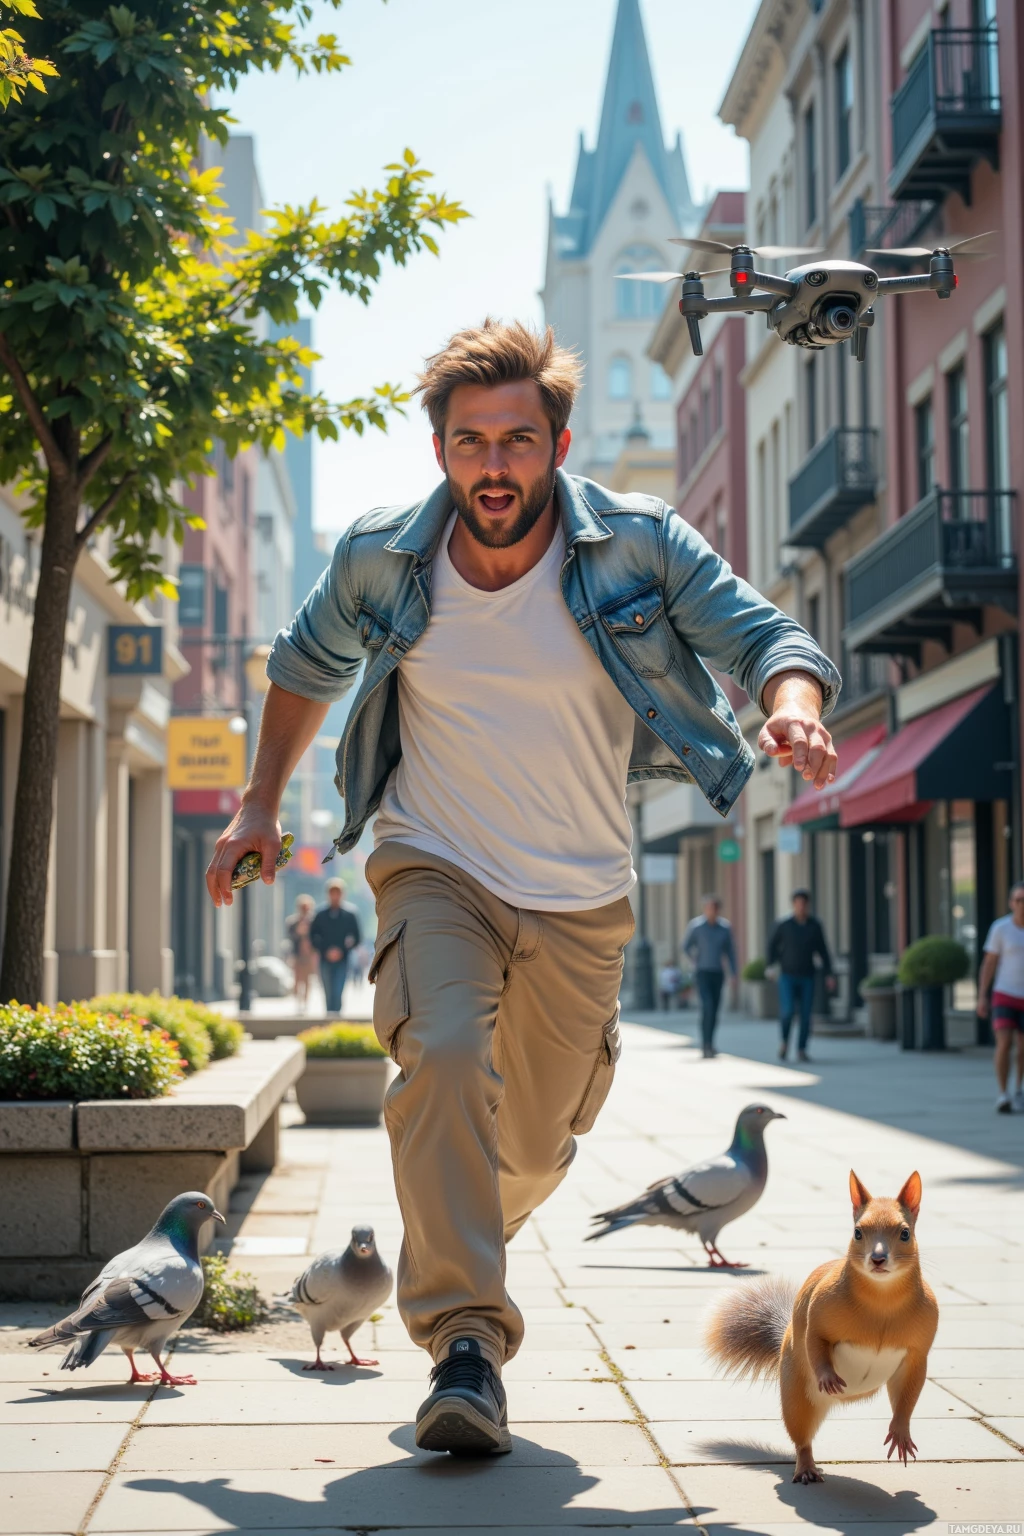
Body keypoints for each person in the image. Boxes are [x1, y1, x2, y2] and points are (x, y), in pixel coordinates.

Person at [205, 319, 840, 1456]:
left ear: (555, 440)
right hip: (432, 860)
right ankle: (464, 1345)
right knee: (441, 1055)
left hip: (581, 890)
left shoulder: (637, 545)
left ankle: (454, 1242)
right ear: (438, 446)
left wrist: (788, 701)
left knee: (539, 1147)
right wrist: (258, 804)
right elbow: (302, 669)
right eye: (467, 444)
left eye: (515, 442)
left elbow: (760, 633)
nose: (491, 469)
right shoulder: (378, 557)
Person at [768, 888, 835, 1062]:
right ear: (793, 905)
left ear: (807, 905)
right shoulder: (784, 925)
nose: (801, 907)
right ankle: (784, 1042)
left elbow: (823, 950)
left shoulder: (814, 926)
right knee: (788, 1011)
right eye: (798, 903)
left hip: (808, 976)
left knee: (806, 1015)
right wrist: (770, 966)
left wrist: (829, 973)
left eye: (804, 904)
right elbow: (772, 946)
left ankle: (801, 1049)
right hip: (787, 976)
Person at [976, 882, 1024, 1113]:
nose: (1021, 904)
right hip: (1005, 993)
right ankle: (1002, 1093)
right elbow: (989, 963)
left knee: (1023, 1048)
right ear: (1010, 903)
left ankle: (1018, 1089)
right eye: (1018, 900)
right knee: (1004, 1042)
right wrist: (982, 996)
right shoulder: (1001, 928)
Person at [682, 895, 737, 1058]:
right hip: (702, 972)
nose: (711, 911)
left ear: (718, 910)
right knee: (708, 1006)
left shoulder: (725, 928)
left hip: (717, 973)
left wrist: (733, 972)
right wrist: (694, 959)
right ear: (705, 909)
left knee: (715, 1011)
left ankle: (711, 1043)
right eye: (708, 908)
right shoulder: (697, 927)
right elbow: (686, 946)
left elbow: (730, 951)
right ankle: (704, 1044)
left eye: (714, 908)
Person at [309, 879, 361, 1015]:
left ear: (342, 894)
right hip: (325, 958)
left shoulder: (350, 914)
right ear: (328, 894)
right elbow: (313, 936)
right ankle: (328, 1018)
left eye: (338, 893)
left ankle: (337, 1017)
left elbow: (357, 937)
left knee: (338, 990)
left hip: (343, 959)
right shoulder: (320, 915)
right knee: (327, 991)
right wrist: (324, 950)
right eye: (332, 893)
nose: (335, 896)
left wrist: (342, 951)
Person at [284, 893, 317, 1011]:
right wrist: (299, 931)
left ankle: (306, 1002)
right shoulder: (292, 922)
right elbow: (290, 937)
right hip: (297, 955)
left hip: (309, 955)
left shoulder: (314, 922)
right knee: (297, 979)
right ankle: (298, 1001)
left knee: (308, 979)